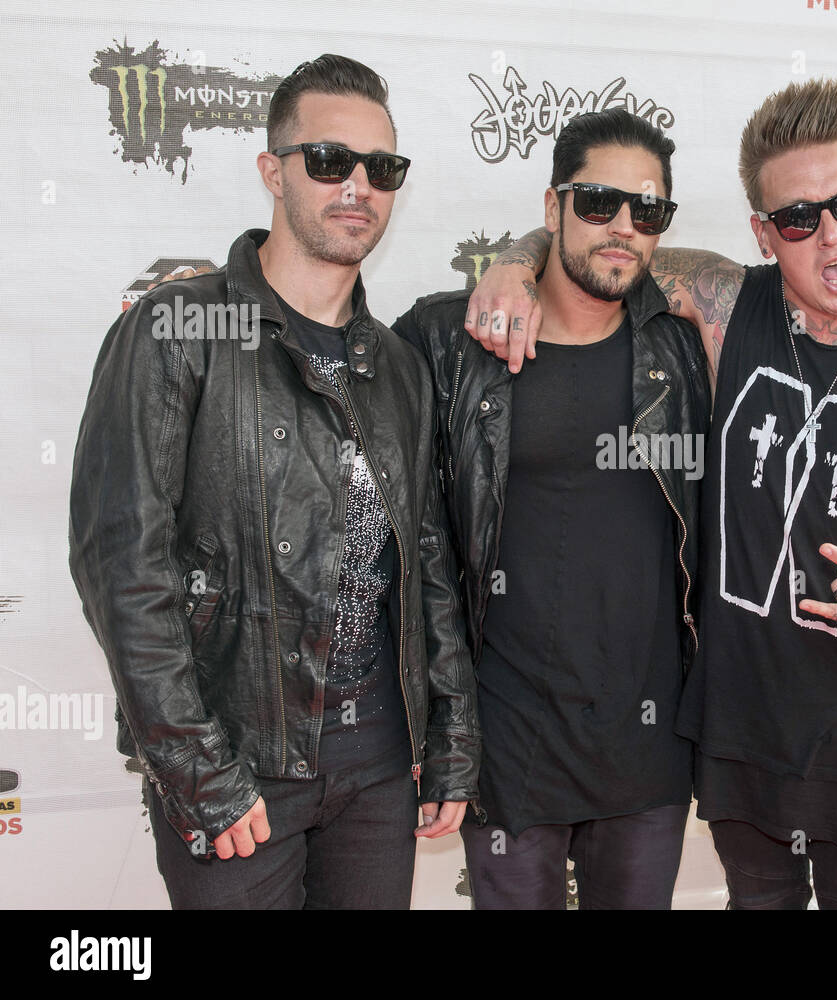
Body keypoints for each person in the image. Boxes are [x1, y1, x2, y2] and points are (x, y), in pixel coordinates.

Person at [469, 78, 837, 909]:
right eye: (799, 218)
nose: (831, 234)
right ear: (763, 231)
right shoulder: (725, 304)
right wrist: (511, 262)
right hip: (739, 728)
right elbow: (609, 240)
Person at [68, 54, 479, 910]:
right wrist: (197, 771)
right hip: (240, 762)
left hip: (376, 769)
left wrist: (450, 737)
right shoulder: (180, 328)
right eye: (329, 160)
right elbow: (121, 566)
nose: (357, 186)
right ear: (272, 171)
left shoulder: (399, 367)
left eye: (382, 168)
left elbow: (428, 567)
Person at [392, 109, 710, 909]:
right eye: (598, 203)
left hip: (648, 744)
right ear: (552, 205)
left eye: (648, 212)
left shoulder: (687, 339)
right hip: (506, 742)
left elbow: (809, 275)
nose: (624, 229)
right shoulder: (449, 339)